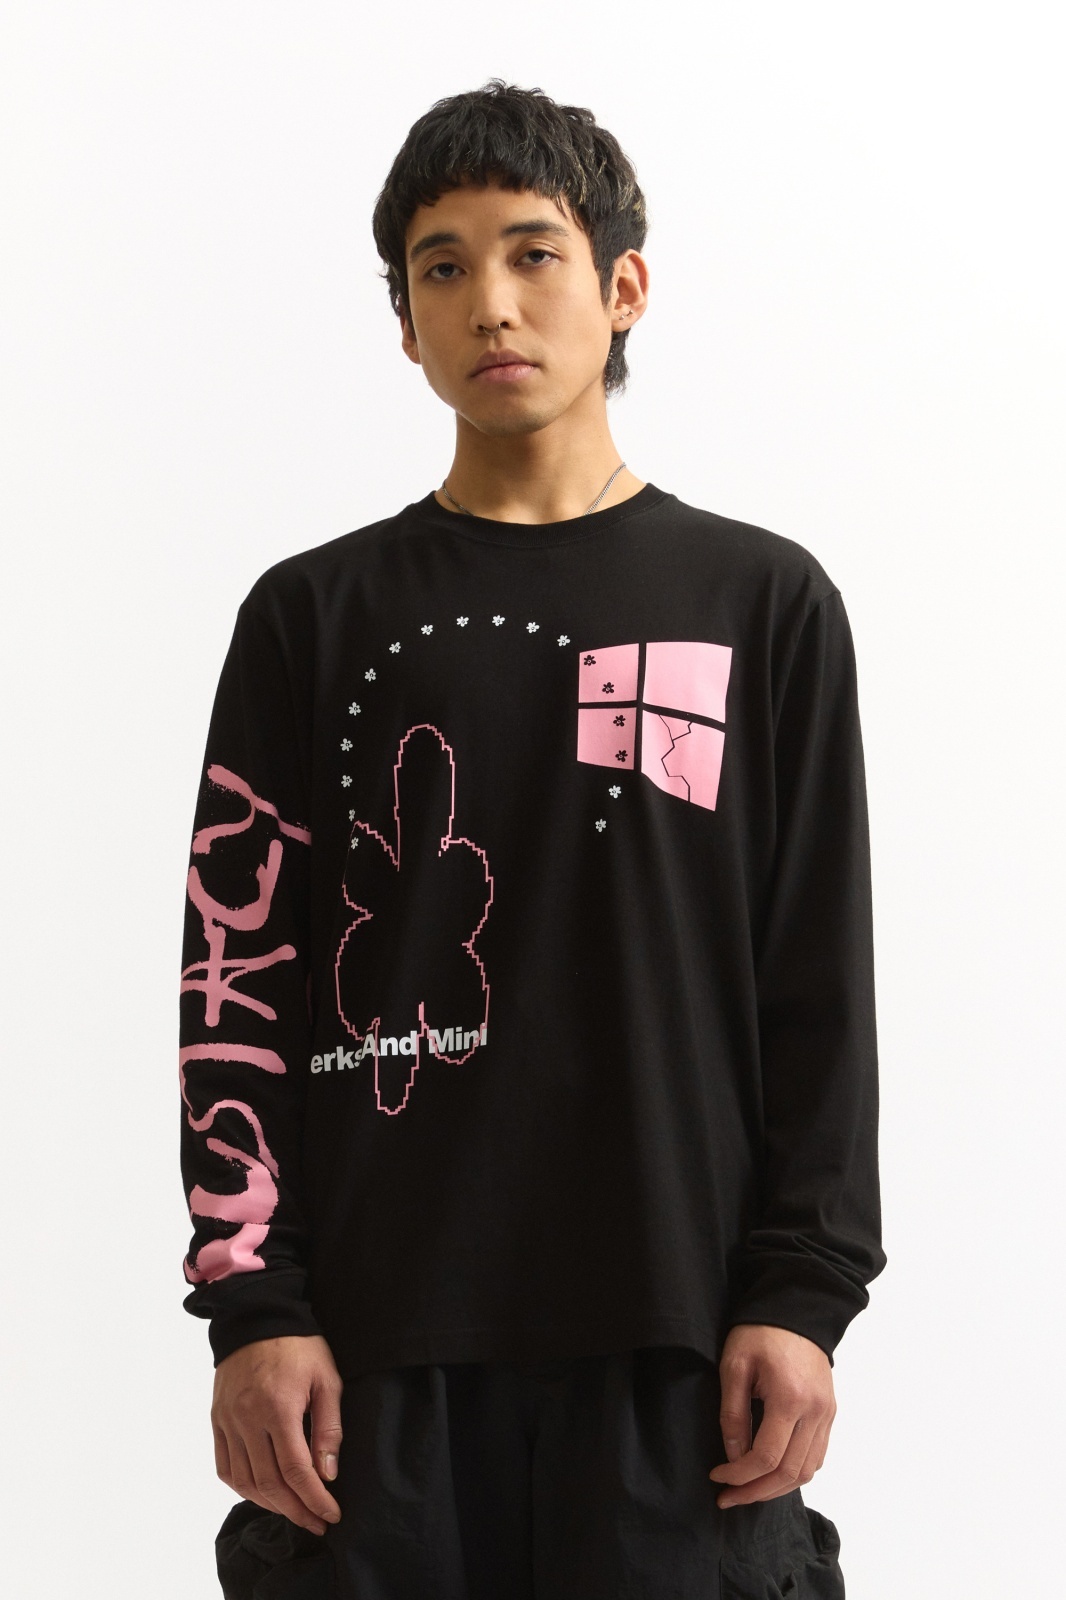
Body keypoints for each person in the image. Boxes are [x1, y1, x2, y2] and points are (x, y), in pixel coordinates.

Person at [179, 79, 886, 1599]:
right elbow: (235, 980)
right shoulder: (311, 617)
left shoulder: (756, 605)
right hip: (372, 1364)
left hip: (677, 1351)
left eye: (532, 252)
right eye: (441, 267)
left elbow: (817, 982)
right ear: (404, 322)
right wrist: (253, 1305)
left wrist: (804, 1293)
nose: (489, 304)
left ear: (624, 286)